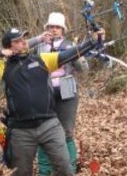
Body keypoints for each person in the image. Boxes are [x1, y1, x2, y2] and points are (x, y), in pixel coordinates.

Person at [0, 27, 104, 176]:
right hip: (20, 131)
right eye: (18, 41)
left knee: (65, 170)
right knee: (21, 173)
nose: (24, 43)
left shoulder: (42, 59)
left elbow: (70, 54)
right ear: (9, 46)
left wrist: (92, 41)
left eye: (24, 39)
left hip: (49, 125)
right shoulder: (2, 67)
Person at [28, 12, 88, 175]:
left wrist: (79, 54)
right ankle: (45, 171)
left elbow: (83, 69)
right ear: (46, 28)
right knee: (43, 132)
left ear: (63, 30)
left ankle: (70, 169)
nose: (54, 30)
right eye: (51, 27)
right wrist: (38, 39)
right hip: (43, 94)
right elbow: (19, 49)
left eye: (57, 27)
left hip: (67, 93)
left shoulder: (69, 45)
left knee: (66, 132)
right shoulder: (38, 46)